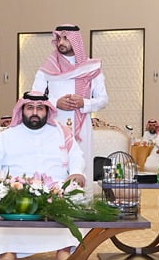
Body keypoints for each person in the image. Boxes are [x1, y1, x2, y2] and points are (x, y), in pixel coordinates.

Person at [0, 91, 86, 260]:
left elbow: (76, 155)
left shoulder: (61, 132)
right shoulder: (8, 135)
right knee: (1, 195)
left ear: (47, 111)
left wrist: (76, 172)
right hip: (17, 187)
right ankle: (9, 251)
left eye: (40, 108)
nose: (35, 113)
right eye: (30, 108)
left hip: (55, 187)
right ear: (22, 110)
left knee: (75, 193)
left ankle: (64, 250)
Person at [32, 24, 108, 189]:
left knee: (82, 166)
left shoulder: (91, 68)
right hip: (54, 126)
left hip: (82, 128)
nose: (61, 42)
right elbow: (35, 97)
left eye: (66, 38)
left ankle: (83, 202)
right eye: (59, 38)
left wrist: (84, 103)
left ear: (76, 40)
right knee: (55, 165)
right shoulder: (47, 69)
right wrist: (55, 103)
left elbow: (103, 99)